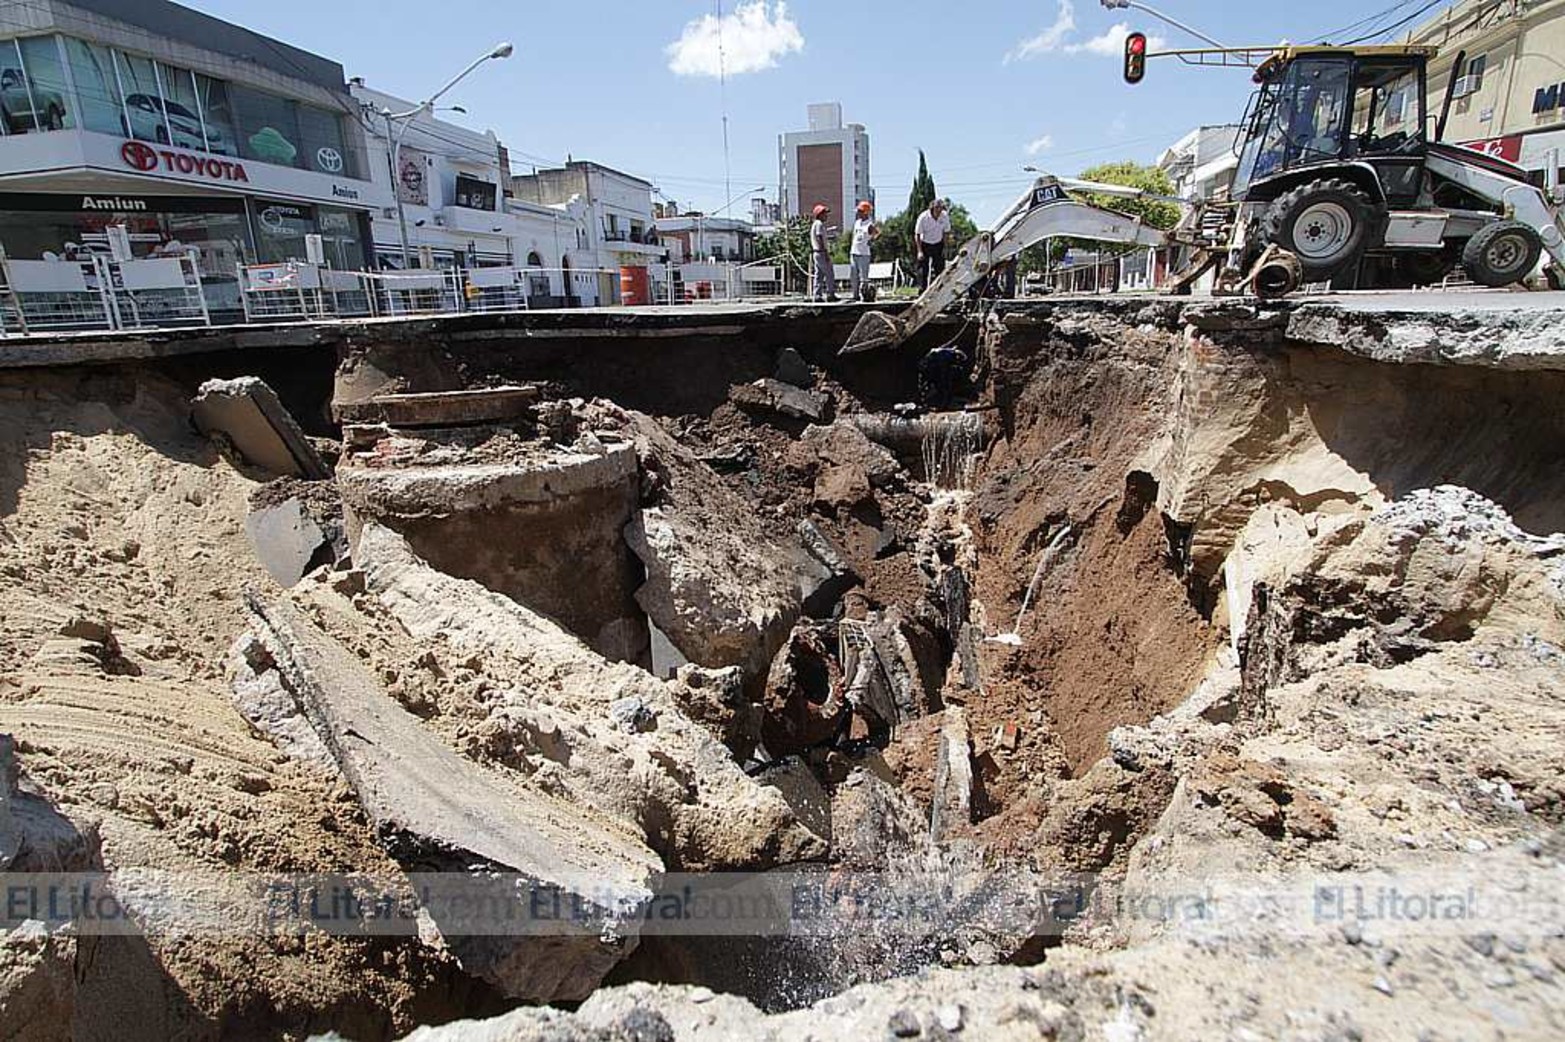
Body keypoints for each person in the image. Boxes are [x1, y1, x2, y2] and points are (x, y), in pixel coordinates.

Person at [917, 344, 973, 410]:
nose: (958, 363)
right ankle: (942, 404)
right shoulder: (946, 356)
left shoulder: (947, 353)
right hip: (931, 368)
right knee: (943, 387)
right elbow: (943, 372)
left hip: (931, 367)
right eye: (959, 361)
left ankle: (937, 402)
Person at [914, 198, 952, 291]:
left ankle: (939, 289)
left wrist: (945, 248)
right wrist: (919, 251)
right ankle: (921, 290)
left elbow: (946, 233)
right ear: (932, 208)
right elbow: (917, 234)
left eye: (941, 208)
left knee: (940, 268)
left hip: (938, 243)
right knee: (923, 269)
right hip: (925, 243)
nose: (939, 210)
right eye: (937, 208)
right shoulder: (923, 217)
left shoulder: (944, 216)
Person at [849, 200, 879, 302]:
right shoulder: (857, 223)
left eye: (860, 211)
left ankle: (864, 296)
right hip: (854, 252)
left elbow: (877, 233)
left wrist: (871, 240)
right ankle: (855, 295)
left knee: (863, 276)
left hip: (864, 253)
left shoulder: (869, 224)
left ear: (866, 212)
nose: (858, 213)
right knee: (854, 275)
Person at [810, 203, 838, 302]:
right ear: (819, 214)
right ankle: (831, 294)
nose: (826, 215)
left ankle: (817, 295)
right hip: (821, 252)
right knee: (829, 273)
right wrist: (825, 252)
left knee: (819, 275)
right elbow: (819, 237)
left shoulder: (816, 224)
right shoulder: (819, 224)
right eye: (824, 213)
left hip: (816, 252)